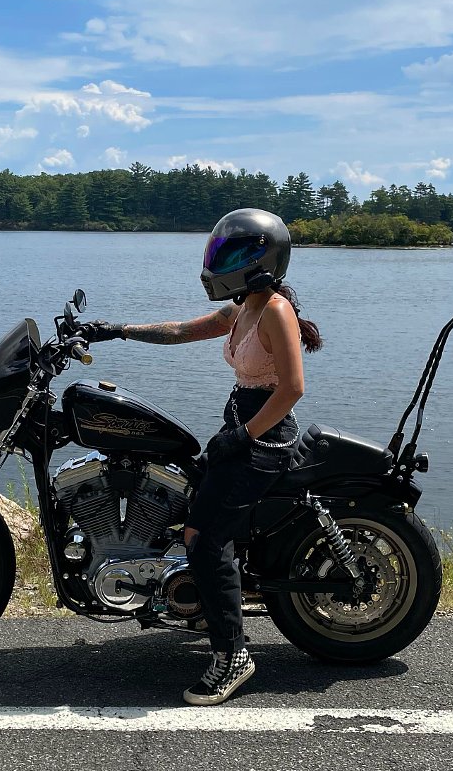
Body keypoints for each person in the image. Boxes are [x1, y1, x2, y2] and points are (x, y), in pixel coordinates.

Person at [91, 207, 322, 705]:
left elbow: (293, 389)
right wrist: (115, 330)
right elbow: (181, 330)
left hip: (266, 436)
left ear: (264, 259)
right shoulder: (243, 308)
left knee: (202, 537)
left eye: (234, 253)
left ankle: (232, 657)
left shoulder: (276, 310)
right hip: (242, 424)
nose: (222, 262)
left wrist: (244, 438)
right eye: (222, 251)